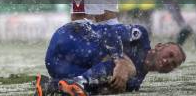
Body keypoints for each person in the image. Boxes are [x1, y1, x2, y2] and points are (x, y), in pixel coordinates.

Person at [35, 21, 185, 95]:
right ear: (159, 46)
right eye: (170, 55)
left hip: (57, 66)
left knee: (106, 86)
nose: (168, 61)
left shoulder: (135, 83)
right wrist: (120, 60)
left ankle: (51, 85)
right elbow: (110, 32)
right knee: (127, 68)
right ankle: (79, 84)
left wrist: (106, 89)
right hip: (69, 38)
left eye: (173, 64)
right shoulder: (141, 36)